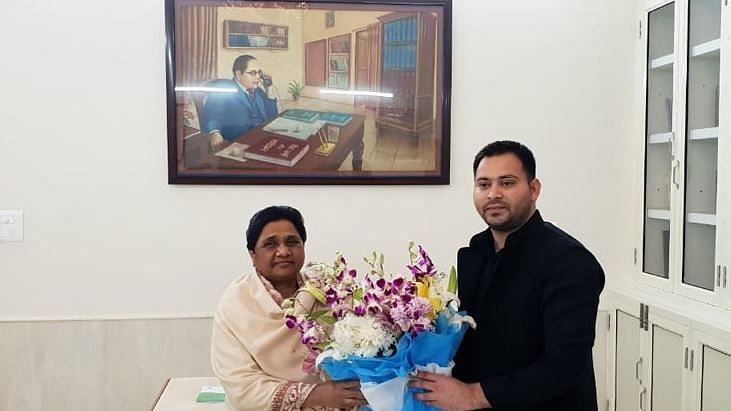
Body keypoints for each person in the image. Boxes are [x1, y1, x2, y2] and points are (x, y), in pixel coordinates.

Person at [410, 141, 605, 410]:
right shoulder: (475, 252)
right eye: (484, 184)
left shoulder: (569, 261)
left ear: (534, 189)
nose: (494, 194)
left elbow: (565, 366)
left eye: (508, 183)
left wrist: (472, 395)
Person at [210, 205, 366, 411]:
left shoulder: (328, 290)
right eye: (270, 244)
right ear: (252, 254)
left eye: (292, 242)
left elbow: (363, 349)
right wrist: (315, 396)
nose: (283, 251)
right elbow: (242, 387)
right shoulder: (237, 303)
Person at [202, 54, 279, 150]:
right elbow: (212, 115)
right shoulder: (225, 89)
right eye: (253, 73)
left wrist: (269, 88)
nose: (258, 77)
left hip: (262, 140)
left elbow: (272, 116)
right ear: (238, 74)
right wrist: (215, 132)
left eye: (259, 73)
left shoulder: (258, 90)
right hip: (239, 143)